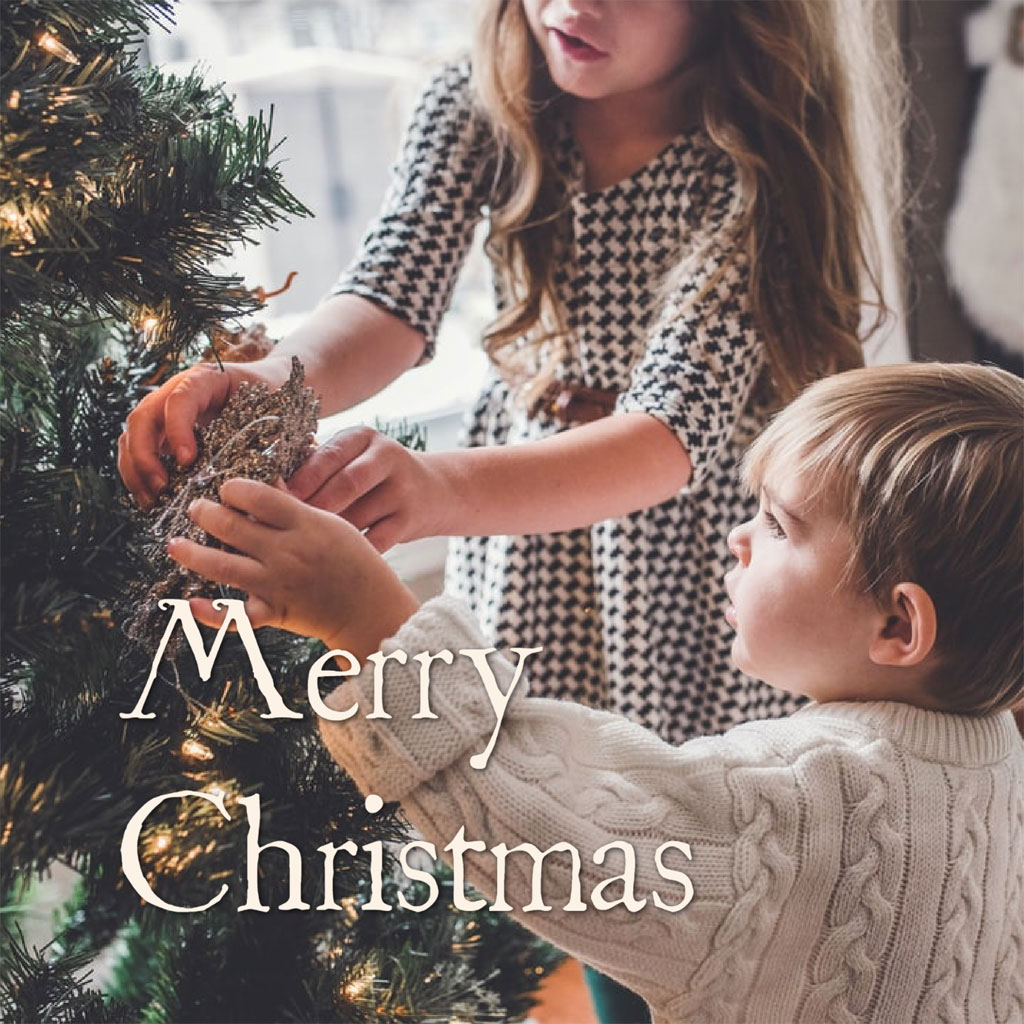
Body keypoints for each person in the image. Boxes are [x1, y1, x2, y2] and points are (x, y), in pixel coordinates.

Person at [123, 5, 902, 1015]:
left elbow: (666, 437)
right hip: (532, 561)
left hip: (684, 570)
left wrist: (440, 487)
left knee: (665, 870)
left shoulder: (751, 160)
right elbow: (391, 301)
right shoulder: (482, 103)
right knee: (536, 830)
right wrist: (276, 382)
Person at [168, 362, 1023, 1023]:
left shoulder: (802, 803)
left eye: (778, 524)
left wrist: (371, 623)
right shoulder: (1000, 760)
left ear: (898, 628)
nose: (737, 536)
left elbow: (538, 817)